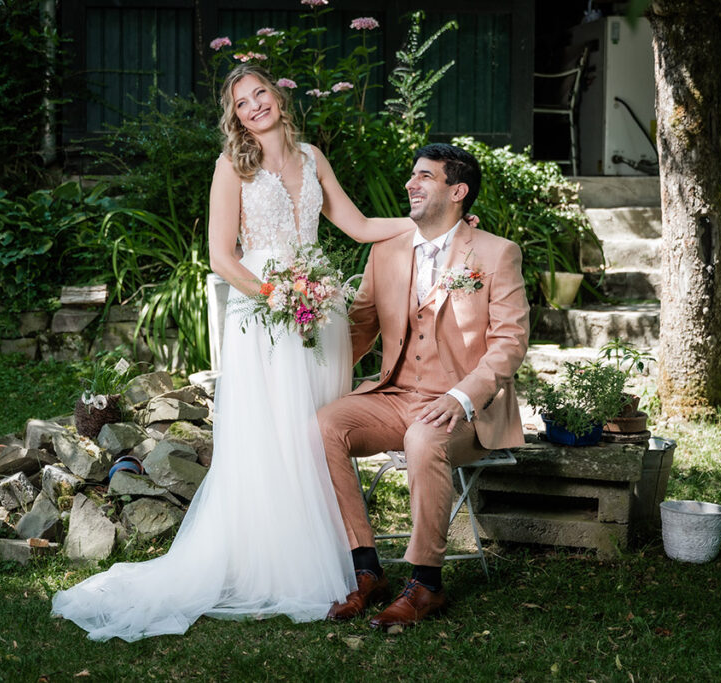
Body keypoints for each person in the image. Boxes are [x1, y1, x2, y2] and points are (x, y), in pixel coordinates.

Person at [51, 63, 417, 641]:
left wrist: (426, 222)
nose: (254, 106)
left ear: (277, 95)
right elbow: (223, 257)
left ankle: (340, 555)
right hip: (265, 313)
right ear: (236, 117)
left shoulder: (314, 157)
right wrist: (278, 295)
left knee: (316, 431)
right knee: (273, 435)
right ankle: (277, 562)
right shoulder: (232, 167)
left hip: (318, 313)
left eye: (260, 94)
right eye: (242, 103)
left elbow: (358, 224)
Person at [318, 143, 531, 629]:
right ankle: (366, 568)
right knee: (324, 426)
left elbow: (510, 343)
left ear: (457, 191)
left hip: (463, 411)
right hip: (394, 396)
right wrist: (306, 358)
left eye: (424, 177)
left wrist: (460, 398)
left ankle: (426, 584)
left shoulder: (497, 254)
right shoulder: (386, 250)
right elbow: (360, 327)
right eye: (412, 175)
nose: (410, 184)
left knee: (423, 436)